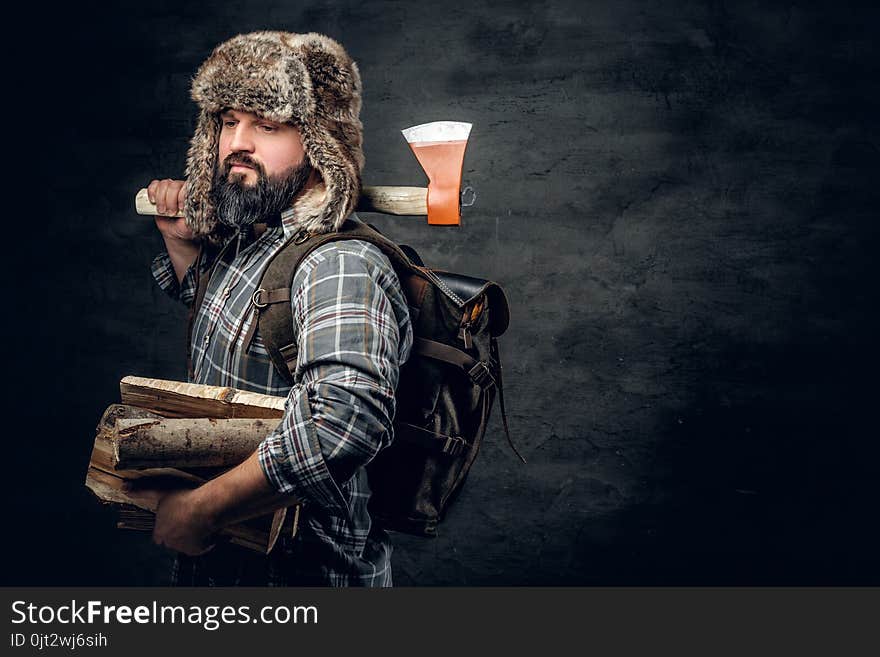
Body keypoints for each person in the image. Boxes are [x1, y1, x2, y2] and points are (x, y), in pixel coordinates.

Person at [145, 31, 412, 586]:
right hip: (226, 573)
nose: (237, 143)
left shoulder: (340, 264)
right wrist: (181, 243)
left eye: (267, 125)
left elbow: (343, 424)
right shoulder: (254, 235)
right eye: (227, 121)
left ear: (320, 143)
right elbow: (244, 343)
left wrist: (200, 510)